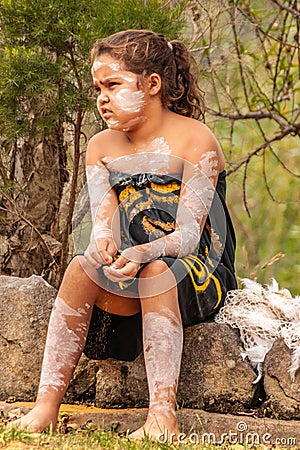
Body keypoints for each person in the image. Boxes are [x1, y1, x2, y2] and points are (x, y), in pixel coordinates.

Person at [10, 29, 237, 441]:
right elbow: (103, 222)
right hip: (134, 270)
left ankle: (162, 416)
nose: (101, 97)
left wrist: (144, 253)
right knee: (82, 268)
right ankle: (45, 406)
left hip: (196, 273)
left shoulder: (195, 140)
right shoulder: (101, 147)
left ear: (151, 85)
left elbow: (187, 237)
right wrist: (104, 248)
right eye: (98, 87)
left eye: (113, 85)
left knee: (156, 272)